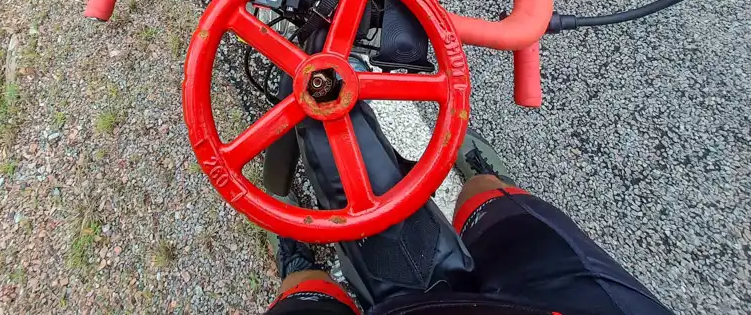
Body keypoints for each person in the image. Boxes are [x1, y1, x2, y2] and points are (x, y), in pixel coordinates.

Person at [264, 130, 676, 315]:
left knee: (305, 293)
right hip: (577, 302)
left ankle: (299, 264)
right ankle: (488, 183)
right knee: (488, 200)